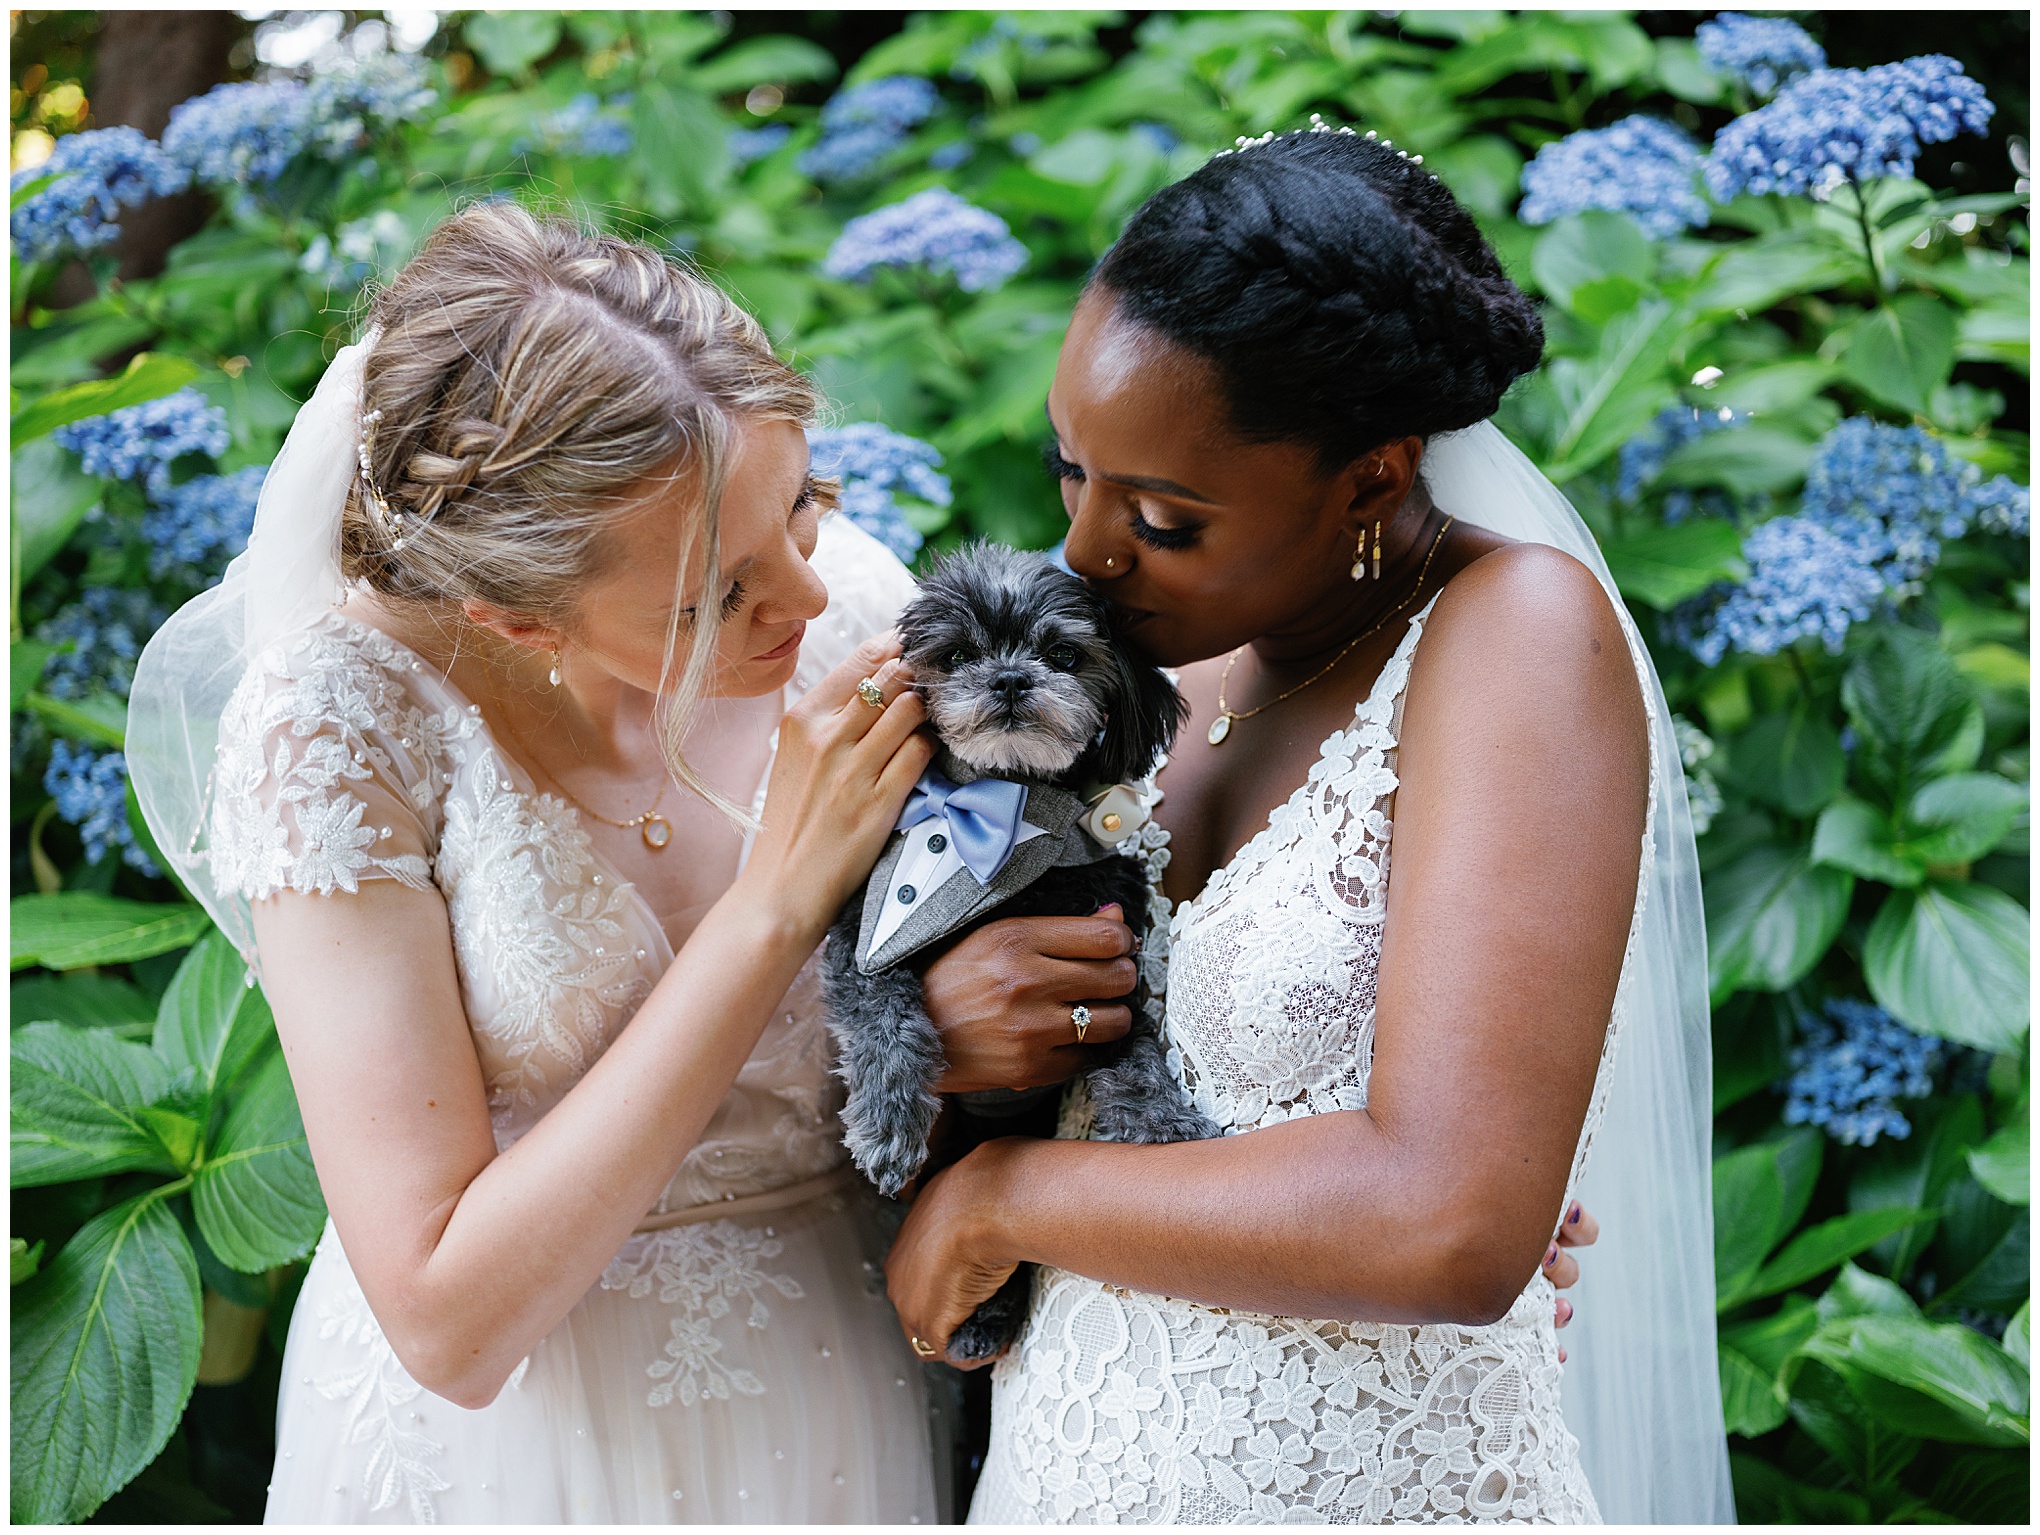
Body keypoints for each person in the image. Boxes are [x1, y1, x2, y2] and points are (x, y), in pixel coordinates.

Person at [880, 124, 1734, 1523]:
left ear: (1373, 477)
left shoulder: (1509, 640)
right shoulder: (1136, 662)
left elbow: (1450, 1219)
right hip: (1064, 1468)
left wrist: (1004, 1201)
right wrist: (959, 1038)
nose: (1087, 555)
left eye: (1162, 516)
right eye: (1069, 474)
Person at [130, 203, 966, 1523]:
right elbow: (448, 1324)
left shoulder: (846, 607)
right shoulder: (341, 728)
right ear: (512, 615)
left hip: (838, 1382)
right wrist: (772, 909)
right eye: (715, 598)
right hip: (517, 1451)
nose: (809, 602)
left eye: (803, 503)